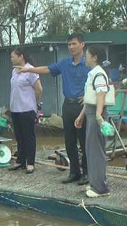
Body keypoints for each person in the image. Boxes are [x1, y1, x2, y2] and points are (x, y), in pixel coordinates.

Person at [16, 34, 91, 185]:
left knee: (84, 141)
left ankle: (87, 173)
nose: (71, 47)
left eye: (74, 44)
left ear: (82, 44)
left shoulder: (89, 63)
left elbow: (102, 80)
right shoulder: (65, 63)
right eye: (69, 44)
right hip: (67, 105)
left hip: (83, 106)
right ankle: (74, 172)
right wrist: (28, 70)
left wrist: (89, 96)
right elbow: (47, 69)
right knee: (69, 141)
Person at [75, 45, 111, 198]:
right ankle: (95, 182)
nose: (85, 57)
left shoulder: (99, 74)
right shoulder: (93, 73)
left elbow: (101, 95)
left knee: (96, 152)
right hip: (90, 114)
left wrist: (98, 116)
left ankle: (100, 188)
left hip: (97, 116)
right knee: (90, 151)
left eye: (87, 55)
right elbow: (90, 99)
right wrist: (81, 115)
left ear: (95, 57)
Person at [8, 47, 43, 174]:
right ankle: (20, 161)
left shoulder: (31, 70)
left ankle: (30, 163)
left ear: (21, 56)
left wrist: (34, 102)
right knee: (19, 136)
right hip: (15, 109)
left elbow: (39, 89)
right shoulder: (14, 71)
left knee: (29, 136)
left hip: (27, 109)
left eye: (13, 56)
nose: (11, 59)